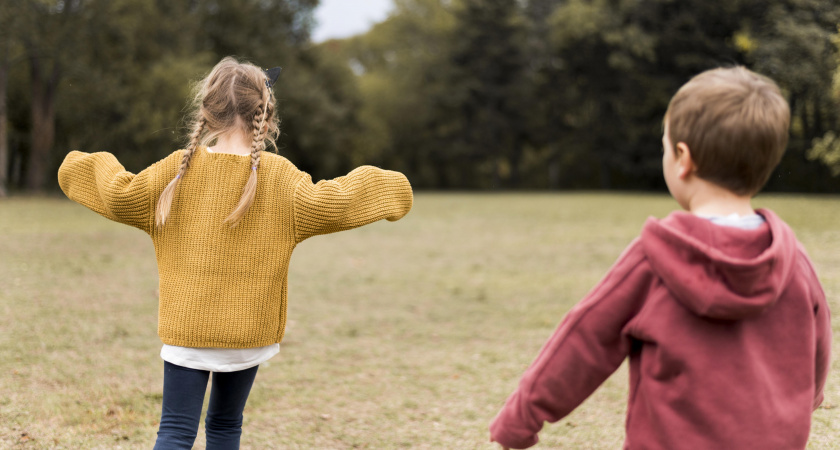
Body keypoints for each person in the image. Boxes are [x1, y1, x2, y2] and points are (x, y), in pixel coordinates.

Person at [57, 57, 413, 449]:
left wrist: (78, 166)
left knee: (174, 430)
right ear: (266, 113)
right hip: (248, 333)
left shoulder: (176, 172)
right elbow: (336, 201)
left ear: (207, 112)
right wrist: (391, 187)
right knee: (226, 427)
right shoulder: (281, 179)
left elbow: (118, 193)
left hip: (186, 329)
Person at [489, 66, 831, 449]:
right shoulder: (792, 262)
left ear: (682, 158)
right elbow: (817, 345)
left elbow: (585, 341)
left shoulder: (654, 260)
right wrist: (809, 398)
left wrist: (521, 417)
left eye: (664, 145)